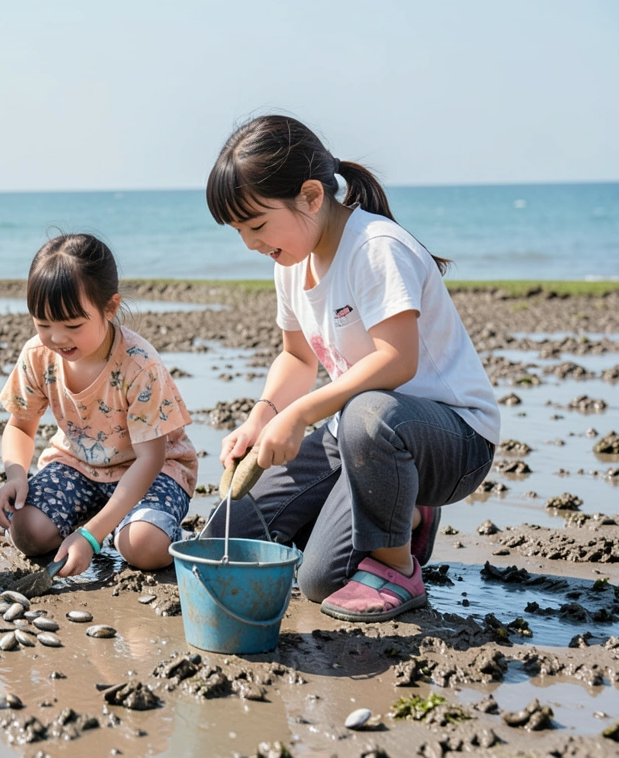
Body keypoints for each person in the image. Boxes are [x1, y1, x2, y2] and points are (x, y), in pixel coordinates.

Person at [202, 115, 499, 622]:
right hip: (359, 436)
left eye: (256, 225)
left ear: (312, 196)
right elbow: (297, 357)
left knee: (366, 414)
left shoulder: (375, 248)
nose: (250, 243)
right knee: (245, 541)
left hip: (449, 440)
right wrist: (263, 416)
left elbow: (397, 361)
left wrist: (299, 416)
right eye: (238, 231)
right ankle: (388, 508)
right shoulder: (289, 264)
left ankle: (398, 561)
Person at [0, 234, 198, 577]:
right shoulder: (38, 355)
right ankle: (103, 521)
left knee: (143, 546)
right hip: (78, 464)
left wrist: (91, 535)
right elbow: (19, 425)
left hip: (152, 471)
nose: (57, 338)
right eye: (43, 324)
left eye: (73, 325)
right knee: (26, 531)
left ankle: (148, 529)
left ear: (110, 307)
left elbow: (152, 458)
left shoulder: (140, 365)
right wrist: (16, 475)